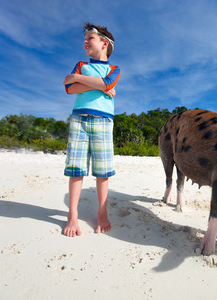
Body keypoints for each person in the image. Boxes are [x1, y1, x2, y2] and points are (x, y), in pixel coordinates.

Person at [62, 22, 121, 237]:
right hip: (79, 119)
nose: (85, 42)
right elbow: (68, 86)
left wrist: (97, 83)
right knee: (76, 169)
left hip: (104, 121)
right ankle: (72, 215)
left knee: (102, 171)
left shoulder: (114, 69)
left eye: (90, 38)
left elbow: (108, 81)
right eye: (84, 39)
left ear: (105, 43)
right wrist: (97, 84)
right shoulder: (80, 65)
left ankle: (102, 212)